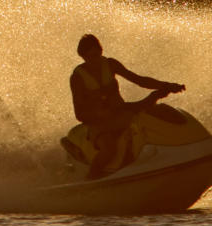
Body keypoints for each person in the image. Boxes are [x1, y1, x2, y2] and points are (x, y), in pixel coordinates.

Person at [70, 33, 185, 179]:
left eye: (98, 54)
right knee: (109, 150)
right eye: (92, 56)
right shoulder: (77, 78)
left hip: (121, 113)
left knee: (151, 113)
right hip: (98, 123)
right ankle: (90, 180)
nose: (96, 59)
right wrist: (100, 114)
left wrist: (166, 85)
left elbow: (139, 80)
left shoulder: (110, 64)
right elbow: (79, 114)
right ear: (83, 57)